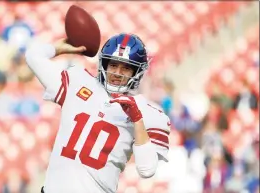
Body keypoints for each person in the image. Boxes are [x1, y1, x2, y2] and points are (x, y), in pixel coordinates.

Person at [25, 33, 171, 193]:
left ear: (137, 72)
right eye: (113, 65)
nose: (117, 72)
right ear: (104, 64)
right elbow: (33, 56)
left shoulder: (148, 112)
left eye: (126, 68)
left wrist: (137, 120)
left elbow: (147, 170)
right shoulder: (78, 82)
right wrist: (57, 48)